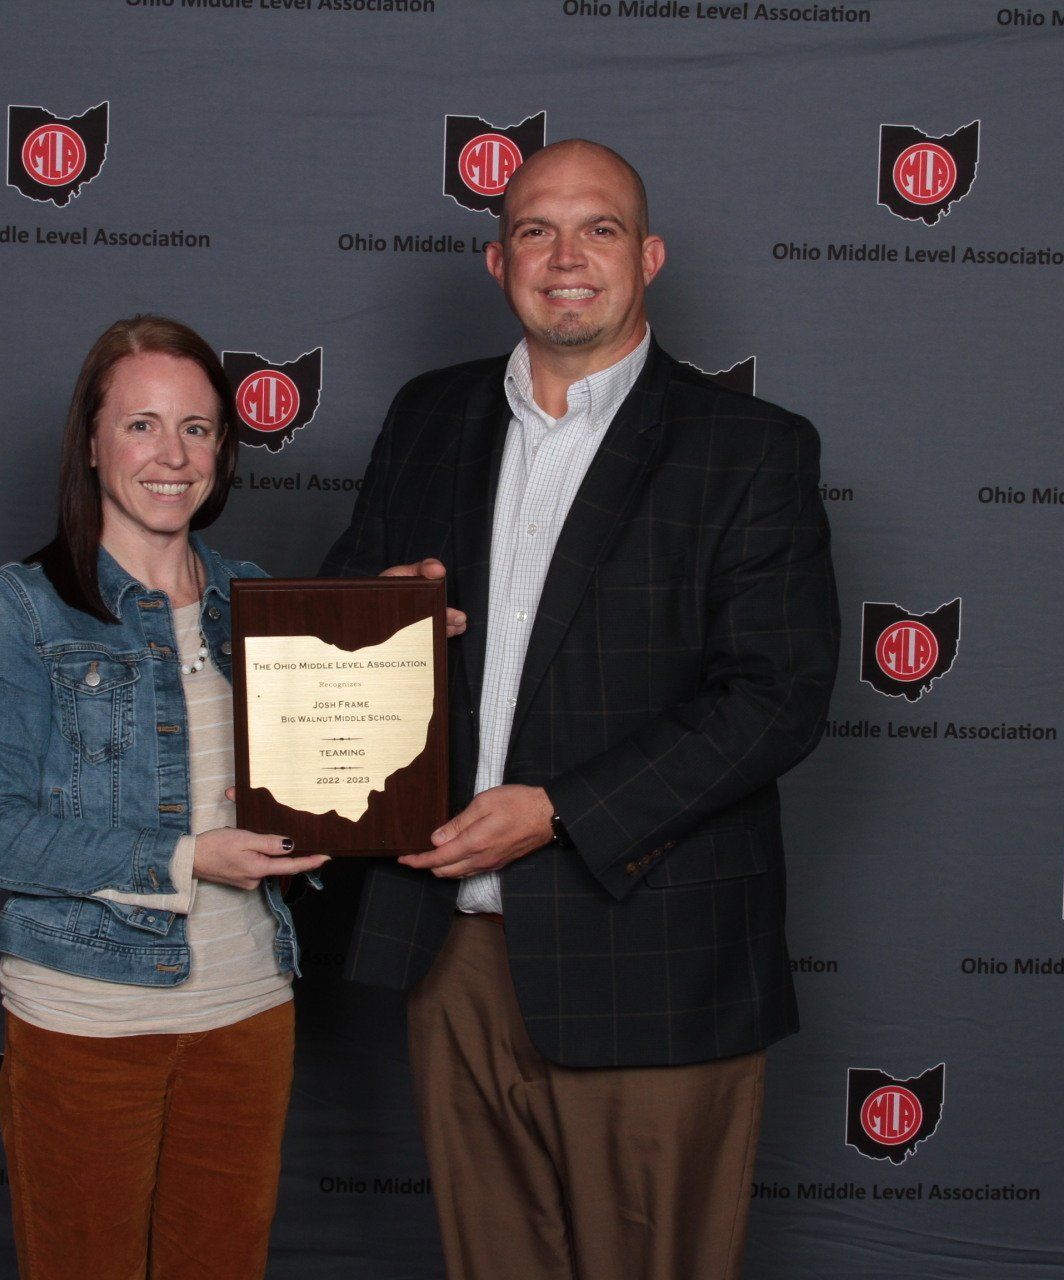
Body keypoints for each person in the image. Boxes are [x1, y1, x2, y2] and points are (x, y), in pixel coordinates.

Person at [319, 140, 840, 1280]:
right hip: (449, 948)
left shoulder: (750, 449)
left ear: (648, 257)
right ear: (497, 259)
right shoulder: (428, 416)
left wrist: (557, 811)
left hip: (650, 950)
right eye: (536, 231)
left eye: (598, 229)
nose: (566, 257)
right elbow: (340, 618)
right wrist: (373, 618)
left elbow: (775, 697)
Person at [0, 314, 329, 1280]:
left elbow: (325, 764)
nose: (173, 455)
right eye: (142, 425)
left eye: (197, 428)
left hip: (249, 1011)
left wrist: (402, 638)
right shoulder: (24, 608)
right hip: (88, 1022)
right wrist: (184, 858)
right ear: (91, 442)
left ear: (224, 450)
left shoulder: (257, 600)